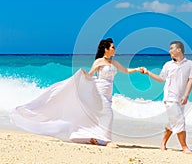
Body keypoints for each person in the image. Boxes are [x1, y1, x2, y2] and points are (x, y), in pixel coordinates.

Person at [10, 38, 141, 148]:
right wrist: (84, 75)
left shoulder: (114, 62)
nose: (115, 48)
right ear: (106, 49)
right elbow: (90, 74)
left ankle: (94, 137)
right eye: (113, 47)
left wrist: (138, 69)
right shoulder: (99, 61)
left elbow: (126, 70)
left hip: (109, 91)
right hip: (99, 90)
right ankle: (108, 141)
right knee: (108, 114)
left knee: (99, 115)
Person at [141, 41, 192, 154]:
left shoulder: (190, 64)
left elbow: (191, 80)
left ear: (179, 50)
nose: (169, 51)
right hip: (170, 98)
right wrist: (148, 73)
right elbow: (161, 79)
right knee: (180, 121)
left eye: (171, 48)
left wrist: (186, 95)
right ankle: (184, 147)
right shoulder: (168, 65)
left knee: (173, 122)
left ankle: (163, 143)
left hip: (181, 99)